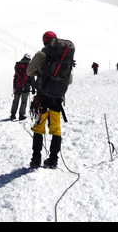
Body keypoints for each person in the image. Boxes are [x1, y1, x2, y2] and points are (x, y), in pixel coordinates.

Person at [27, 31, 75, 168]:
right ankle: (53, 159)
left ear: (45, 41)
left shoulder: (42, 54)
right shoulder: (65, 57)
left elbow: (29, 71)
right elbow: (69, 80)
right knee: (56, 129)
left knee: (38, 127)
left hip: (42, 96)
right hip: (57, 98)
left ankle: (36, 159)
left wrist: (41, 75)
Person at [9, 55, 33, 121]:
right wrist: (33, 87)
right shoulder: (29, 66)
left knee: (15, 100)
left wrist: (14, 86)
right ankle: (21, 115)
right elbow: (31, 78)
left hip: (17, 85)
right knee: (24, 101)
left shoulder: (17, 65)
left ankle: (13, 115)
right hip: (26, 86)